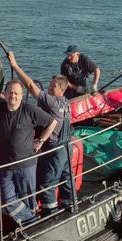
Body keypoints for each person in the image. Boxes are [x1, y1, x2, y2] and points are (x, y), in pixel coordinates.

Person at [0, 80, 57, 226]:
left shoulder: (30, 110)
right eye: (10, 92)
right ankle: (32, 221)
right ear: (4, 93)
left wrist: (41, 140)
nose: (13, 96)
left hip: (26, 165)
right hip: (5, 165)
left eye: (16, 93)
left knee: (28, 199)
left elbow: (52, 123)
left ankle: (30, 226)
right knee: (7, 200)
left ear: (22, 96)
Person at [8, 52, 75, 216]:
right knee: (66, 179)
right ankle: (70, 208)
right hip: (67, 147)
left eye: (53, 86)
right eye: (50, 84)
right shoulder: (66, 103)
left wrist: (15, 66)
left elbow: (30, 86)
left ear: (62, 89)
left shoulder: (52, 102)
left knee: (48, 182)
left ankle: (49, 214)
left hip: (54, 149)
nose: (49, 87)